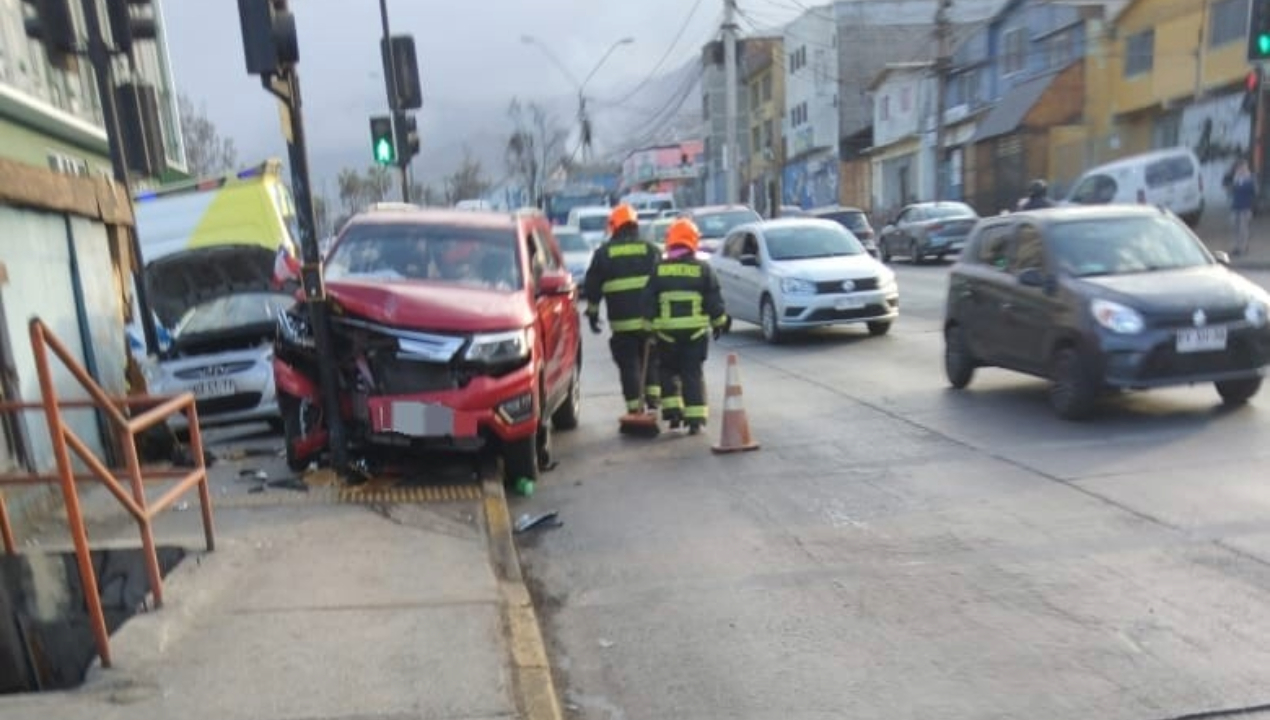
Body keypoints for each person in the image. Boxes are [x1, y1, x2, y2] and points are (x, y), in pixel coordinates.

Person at [641, 218, 729, 435]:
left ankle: (673, 414)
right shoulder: (703, 270)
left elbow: (648, 302)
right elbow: (714, 302)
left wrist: (648, 328)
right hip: (695, 335)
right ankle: (695, 419)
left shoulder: (659, 270)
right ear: (693, 242)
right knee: (692, 373)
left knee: (668, 371)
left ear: (670, 242)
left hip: (666, 335)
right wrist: (720, 323)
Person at [584, 203, 663, 416]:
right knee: (652, 359)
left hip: (622, 325)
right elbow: (664, 284)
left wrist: (592, 314)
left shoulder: (604, 254)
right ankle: (654, 400)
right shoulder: (651, 250)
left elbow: (592, 287)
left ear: (614, 226)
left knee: (629, 366)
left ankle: (634, 409)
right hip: (651, 322)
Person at [1230, 159, 1257, 256]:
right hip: (1236, 206)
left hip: (1245, 208)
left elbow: (1252, 192)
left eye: (1243, 168)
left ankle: (1243, 248)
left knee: (1243, 228)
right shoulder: (1236, 179)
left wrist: (1250, 208)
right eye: (1239, 168)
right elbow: (1233, 191)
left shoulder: (1249, 179)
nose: (1241, 170)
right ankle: (1236, 247)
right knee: (1235, 228)